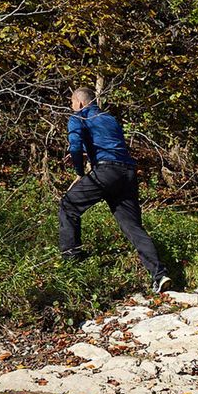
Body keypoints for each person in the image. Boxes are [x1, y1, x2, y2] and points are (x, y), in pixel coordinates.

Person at [59, 87, 172, 294]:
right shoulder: (109, 119)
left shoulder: (78, 117)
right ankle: (160, 275)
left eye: (72, 103)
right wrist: (88, 154)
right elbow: (109, 144)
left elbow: (74, 146)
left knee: (68, 205)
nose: (71, 106)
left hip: (105, 171)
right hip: (127, 173)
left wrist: (78, 172)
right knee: (133, 227)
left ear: (80, 103)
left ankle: (70, 264)